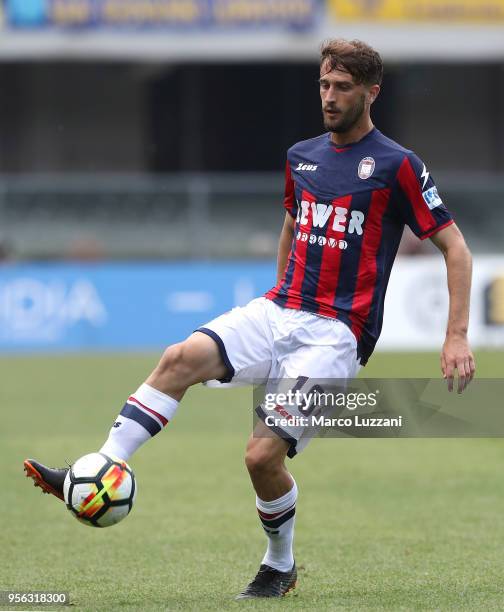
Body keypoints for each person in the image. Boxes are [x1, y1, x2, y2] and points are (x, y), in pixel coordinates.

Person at [24, 39, 475, 599]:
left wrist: (454, 336)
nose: (328, 98)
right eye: (322, 85)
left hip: (337, 334)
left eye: (341, 88)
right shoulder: (301, 156)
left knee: (261, 456)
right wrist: (280, 291)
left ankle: (278, 565)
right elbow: (292, 222)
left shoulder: (397, 165)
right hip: (279, 308)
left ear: (371, 93)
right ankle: (99, 466)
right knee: (179, 358)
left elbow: (456, 248)